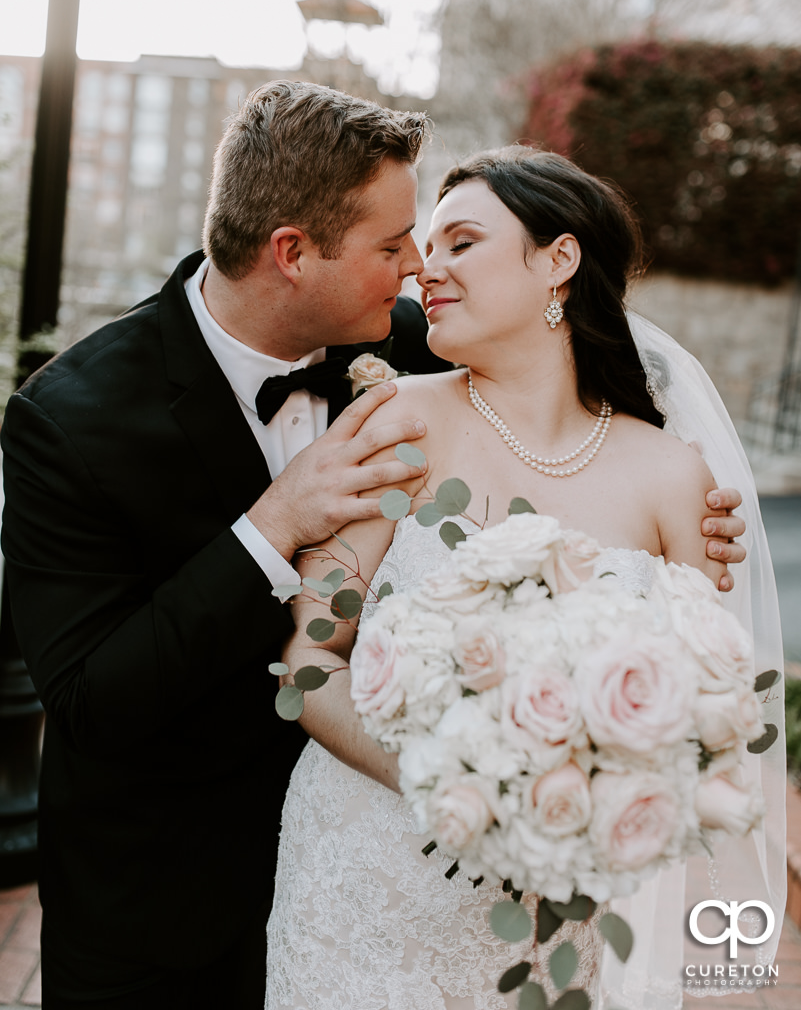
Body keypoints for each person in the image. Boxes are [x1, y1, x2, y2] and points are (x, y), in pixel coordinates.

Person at [1, 86, 744, 1009]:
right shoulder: (68, 422)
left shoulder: (425, 346)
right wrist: (271, 526)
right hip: (168, 894)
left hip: (455, 891)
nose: (415, 273)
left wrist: (675, 528)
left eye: (435, 245)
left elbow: (550, 408)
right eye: (396, 247)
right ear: (291, 254)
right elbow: (88, 697)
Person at [266, 146, 784, 1008]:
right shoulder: (393, 423)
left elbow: (706, 721)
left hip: (551, 921)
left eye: (461, 241)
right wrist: (464, 787)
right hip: (359, 889)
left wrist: (594, 807)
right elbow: (311, 664)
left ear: (558, 259)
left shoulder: (670, 478)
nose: (428, 269)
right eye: (426, 248)